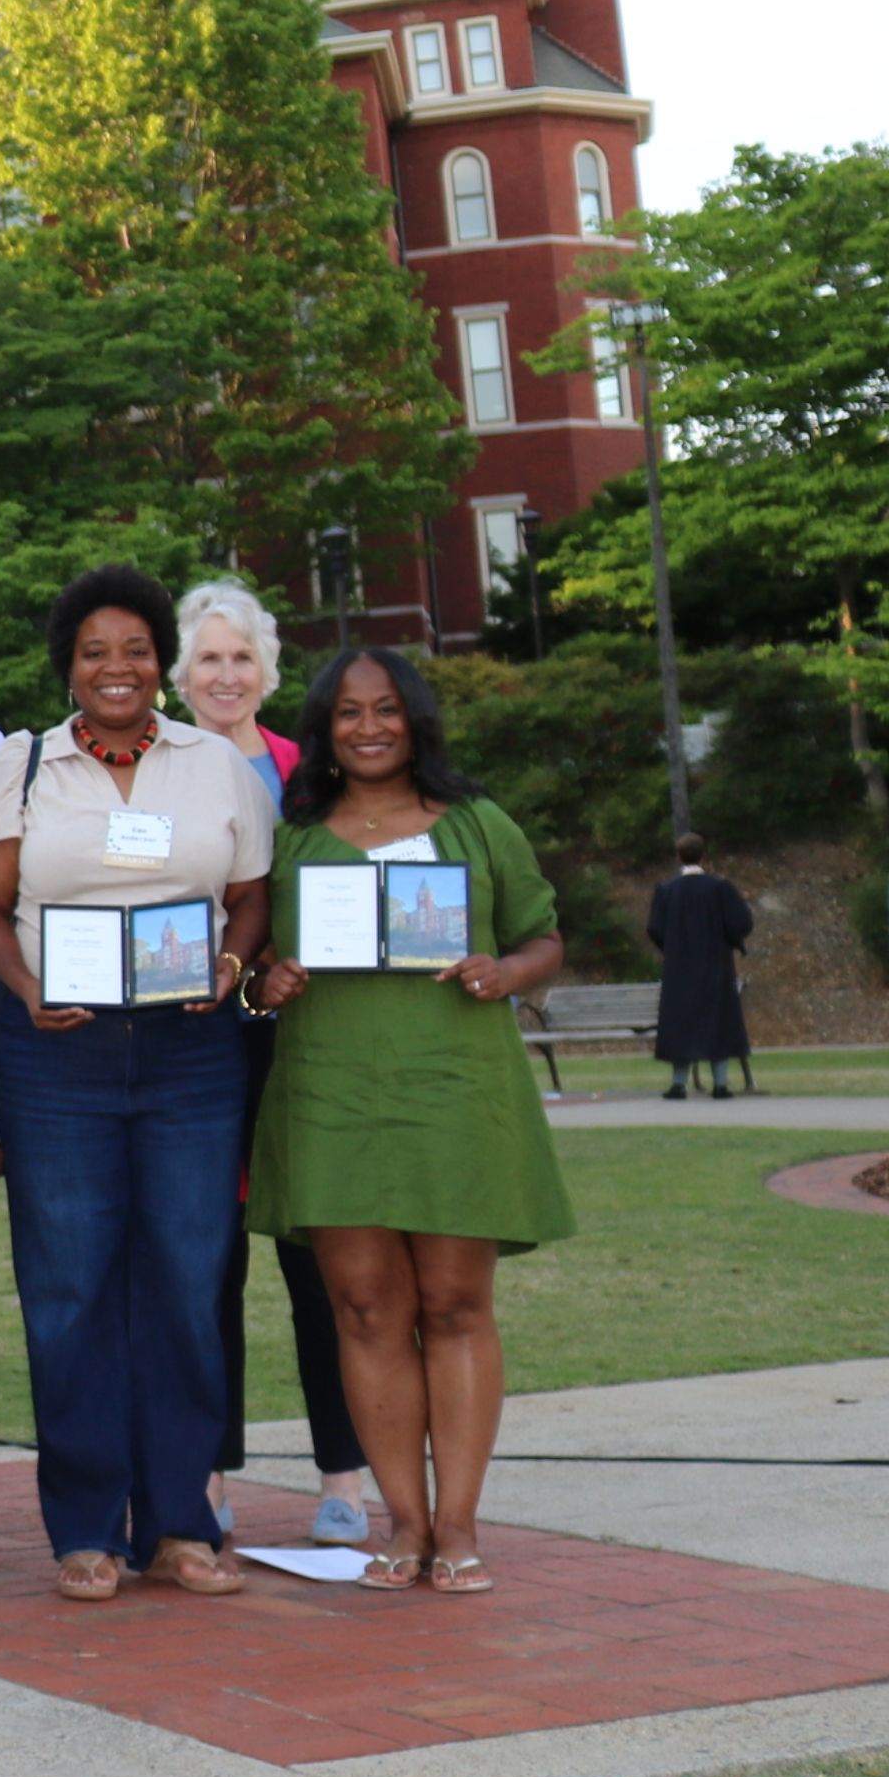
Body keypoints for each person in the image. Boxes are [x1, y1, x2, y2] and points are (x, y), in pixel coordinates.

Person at [0, 564, 270, 1605]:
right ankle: (85, 1526)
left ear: (160, 661)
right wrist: (25, 990)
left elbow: (248, 895)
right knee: (68, 1291)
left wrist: (228, 966)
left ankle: (180, 1522)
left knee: (186, 1284)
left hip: (189, 1052)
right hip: (57, 1052)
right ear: (68, 663)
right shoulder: (23, 763)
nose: (115, 667)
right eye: (93, 650)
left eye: (134, 648)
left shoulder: (214, 765)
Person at [246, 647, 573, 1596]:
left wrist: (503, 972)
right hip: (333, 1093)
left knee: (454, 1305)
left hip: (454, 1092)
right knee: (362, 1306)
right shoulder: (292, 837)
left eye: (386, 708)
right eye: (347, 712)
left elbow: (542, 934)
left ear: (415, 718)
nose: (368, 727)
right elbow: (251, 957)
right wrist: (266, 984)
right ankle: (402, 1522)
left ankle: (458, 1526)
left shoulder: (476, 823)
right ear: (323, 730)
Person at [173, 577, 377, 1552]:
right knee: (203, 1266)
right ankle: (205, 1474)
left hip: (304, 1045)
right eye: (207, 657)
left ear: (265, 670)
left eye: (240, 656)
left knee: (318, 1262)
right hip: (192, 1041)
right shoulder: (154, 771)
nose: (224, 674)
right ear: (179, 674)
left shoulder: (308, 773)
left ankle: (342, 1475)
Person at [649, 833, 756, 1101]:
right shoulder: (720, 888)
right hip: (715, 965)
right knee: (717, 1021)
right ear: (704, 856)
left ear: (677, 857)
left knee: (681, 1023)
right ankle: (721, 1084)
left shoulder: (667, 891)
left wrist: (671, 948)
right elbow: (741, 921)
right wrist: (731, 941)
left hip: (679, 969)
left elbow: (654, 927)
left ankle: (678, 1084)